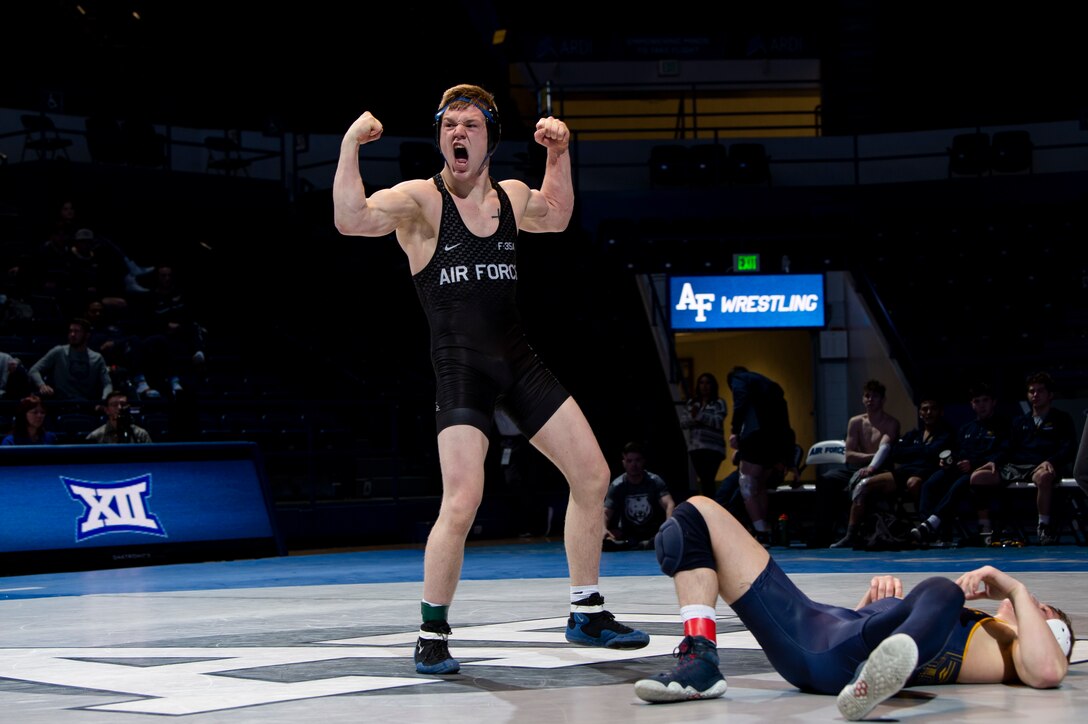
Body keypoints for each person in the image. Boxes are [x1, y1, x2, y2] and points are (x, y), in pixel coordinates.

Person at [332, 84, 649, 676]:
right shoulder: (421, 202)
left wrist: (559, 154)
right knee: (463, 499)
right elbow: (351, 220)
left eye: (471, 126)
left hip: (519, 362)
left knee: (593, 474)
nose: (459, 134)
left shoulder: (511, 197)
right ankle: (431, 631)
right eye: (450, 124)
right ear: (439, 136)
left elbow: (555, 218)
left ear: (490, 140)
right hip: (462, 372)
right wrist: (351, 144)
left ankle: (585, 611)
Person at [634, 495, 1072, 720]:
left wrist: (1014, 587)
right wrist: (872, 606)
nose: (1035, 603)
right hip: (816, 631)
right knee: (693, 518)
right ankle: (701, 659)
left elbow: (1049, 671)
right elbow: (844, 627)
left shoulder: (1014, 649)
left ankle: (872, 675)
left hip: (841, 661)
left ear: (1054, 634)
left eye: (1044, 609)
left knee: (943, 588)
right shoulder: (973, 626)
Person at [831, 395, 953, 548]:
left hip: (927, 474)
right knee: (863, 485)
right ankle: (851, 535)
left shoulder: (947, 435)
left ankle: (927, 531)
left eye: (933, 409)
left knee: (913, 483)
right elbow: (896, 453)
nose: (928, 412)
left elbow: (932, 453)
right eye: (925, 409)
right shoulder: (914, 435)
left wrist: (917, 452)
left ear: (940, 412)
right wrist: (921, 451)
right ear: (920, 413)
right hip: (904, 472)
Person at [973, 372, 1076, 545]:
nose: (1035, 394)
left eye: (1040, 391)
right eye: (1031, 391)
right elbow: (1007, 447)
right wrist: (994, 461)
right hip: (1017, 467)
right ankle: (989, 528)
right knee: (977, 477)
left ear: (1050, 395)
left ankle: (1043, 526)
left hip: (1043, 467)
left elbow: (1069, 448)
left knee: (1044, 477)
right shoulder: (1020, 421)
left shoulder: (1061, 419)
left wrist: (1052, 461)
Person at [912, 382, 1009, 546]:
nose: (981, 405)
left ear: (993, 402)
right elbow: (958, 452)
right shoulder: (966, 429)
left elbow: (1004, 452)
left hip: (984, 471)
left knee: (962, 483)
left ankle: (931, 524)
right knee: (931, 483)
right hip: (961, 469)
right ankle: (928, 531)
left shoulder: (1003, 426)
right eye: (977, 401)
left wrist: (974, 464)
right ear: (972, 405)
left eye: (985, 400)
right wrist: (948, 461)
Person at [815, 379, 901, 547]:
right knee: (827, 478)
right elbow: (848, 455)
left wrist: (870, 461)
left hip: (880, 469)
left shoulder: (891, 423)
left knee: (863, 483)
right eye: (867, 396)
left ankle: (853, 533)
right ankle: (822, 534)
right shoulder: (856, 422)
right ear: (862, 399)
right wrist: (871, 457)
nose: (870, 400)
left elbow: (884, 450)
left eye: (875, 396)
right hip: (860, 467)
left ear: (882, 400)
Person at [726, 366, 797, 544]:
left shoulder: (739, 379)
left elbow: (740, 402)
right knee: (760, 486)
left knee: (747, 483)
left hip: (757, 438)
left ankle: (761, 531)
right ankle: (765, 529)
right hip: (775, 440)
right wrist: (786, 456)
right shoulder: (769, 387)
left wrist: (735, 431)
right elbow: (786, 424)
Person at [603, 441, 676, 550]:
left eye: (637, 460)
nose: (634, 464)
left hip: (652, 532)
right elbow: (605, 513)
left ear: (643, 461)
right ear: (624, 463)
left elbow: (669, 504)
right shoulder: (617, 485)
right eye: (629, 461)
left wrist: (668, 527)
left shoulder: (654, 481)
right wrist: (603, 529)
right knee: (608, 539)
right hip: (627, 534)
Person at [27, 317, 113, 404]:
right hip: (61, 402)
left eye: (77, 331)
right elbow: (34, 370)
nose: (72, 334)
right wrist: (42, 385)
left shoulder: (97, 358)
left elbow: (107, 383)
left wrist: (105, 400)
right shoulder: (59, 352)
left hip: (86, 403)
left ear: (87, 335)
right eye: (70, 331)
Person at [679, 372, 728, 497]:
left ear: (713, 385)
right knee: (705, 480)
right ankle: (709, 506)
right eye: (701, 382)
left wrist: (699, 416)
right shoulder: (691, 402)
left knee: (708, 479)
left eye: (707, 382)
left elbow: (718, 421)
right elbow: (684, 422)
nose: (704, 386)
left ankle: (710, 506)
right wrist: (698, 418)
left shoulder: (719, 402)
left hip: (714, 448)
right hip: (696, 448)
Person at [86, 390, 153, 444]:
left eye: (123, 404)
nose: (119, 407)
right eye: (115, 405)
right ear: (107, 410)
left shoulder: (141, 434)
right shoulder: (95, 436)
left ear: (128, 408)